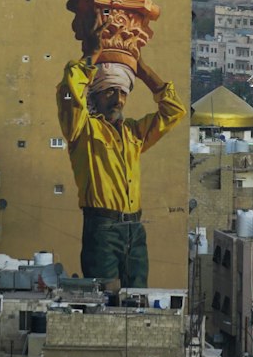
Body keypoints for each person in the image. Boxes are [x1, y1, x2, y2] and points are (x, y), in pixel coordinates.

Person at [56, 48, 185, 288]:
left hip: (135, 228)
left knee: (137, 296)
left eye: (123, 92)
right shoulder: (83, 130)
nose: (118, 99)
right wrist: (92, 56)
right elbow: (68, 93)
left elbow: (174, 111)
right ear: (95, 96)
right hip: (102, 227)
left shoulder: (133, 133)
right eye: (110, 92)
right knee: (106, 296)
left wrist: (144, 71)